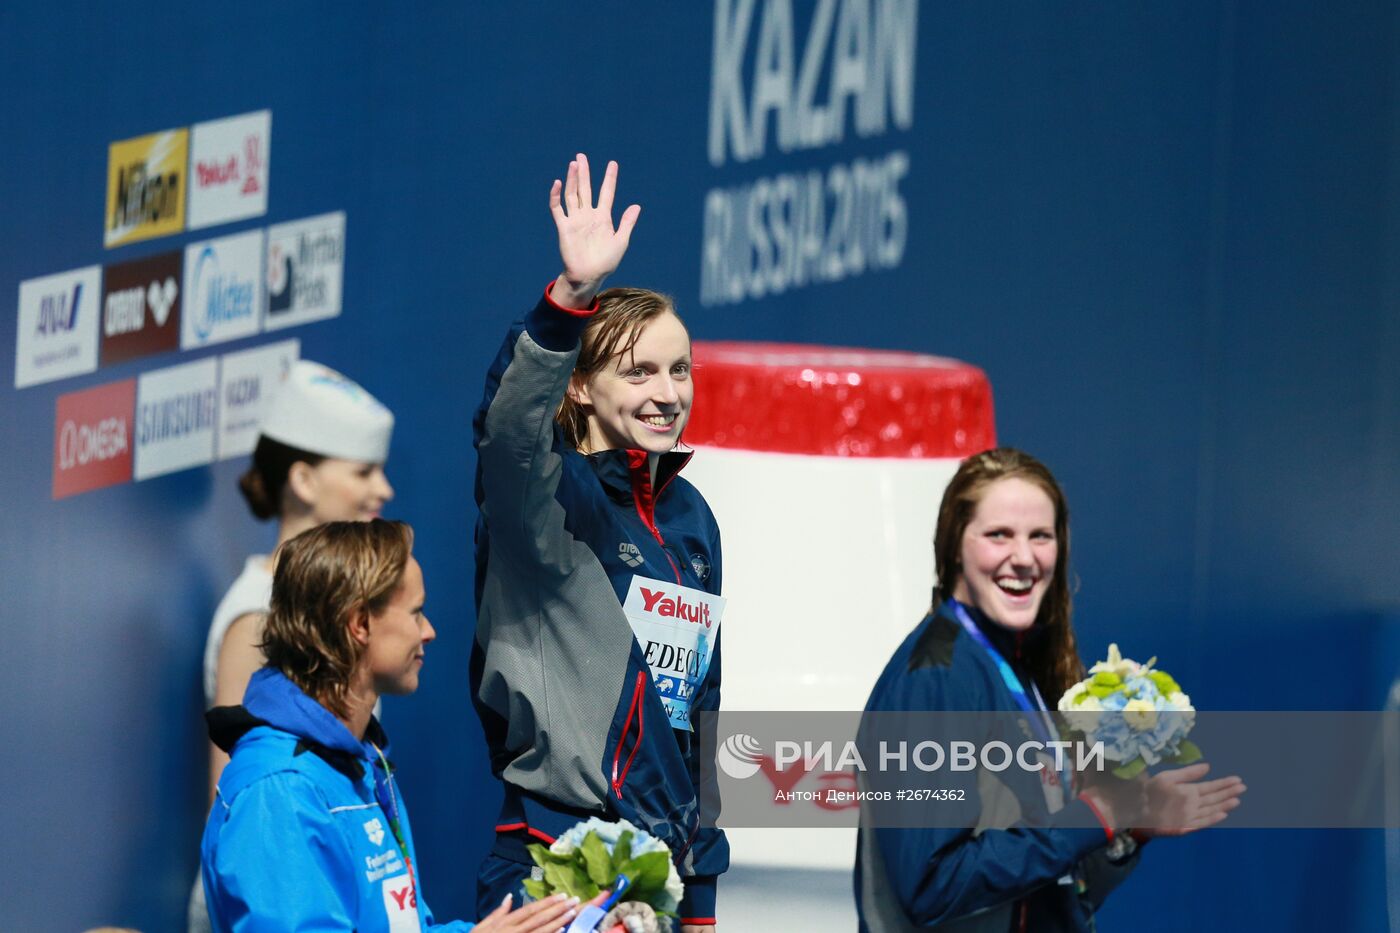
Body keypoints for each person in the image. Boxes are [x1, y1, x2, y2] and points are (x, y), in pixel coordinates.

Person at [471, 154, 727, 933]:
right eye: (639, 371)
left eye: (679, 370)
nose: (668, 392)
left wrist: (703, 902)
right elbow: (509, 434)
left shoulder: (691, 517)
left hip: (661, 879)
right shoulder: (544, 504)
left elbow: (701, 716)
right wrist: (571, 299)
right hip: (554, 865)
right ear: (580, 384)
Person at [855, 448, 1245, 932]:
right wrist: (1094, 815)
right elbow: (932, 886)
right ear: (955, 544)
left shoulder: (1017, 668)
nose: (1023, 558)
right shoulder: (937, 678)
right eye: (999, 535)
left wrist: (1127, 830)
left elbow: (1047, 892)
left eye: (1040, 536)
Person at [202, 519, 597, 932]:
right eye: (415, 612)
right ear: (359, 624)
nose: (429, 631)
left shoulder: (352, 760)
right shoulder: (278, 791)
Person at [191, 360, 395, 932]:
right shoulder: (257, 614)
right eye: (363, 472)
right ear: (303, 480)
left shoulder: (331, 605)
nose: (383, 489)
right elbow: (237, 804)